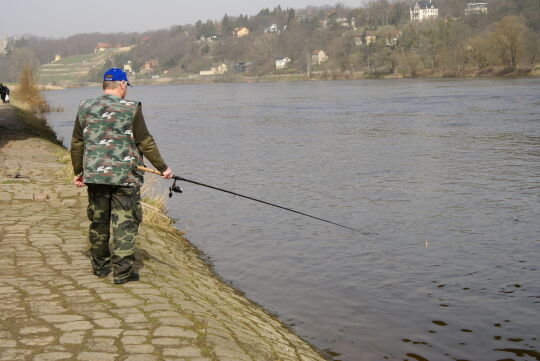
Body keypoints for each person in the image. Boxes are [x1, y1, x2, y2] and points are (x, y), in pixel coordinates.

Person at [70, 68, 172, 284]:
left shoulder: (84, 107)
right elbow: (144, 141)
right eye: (126, 86)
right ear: (122, 85)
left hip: (95, 176)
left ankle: (99, 268)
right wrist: (163, 168)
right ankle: (122, 273)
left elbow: (77, 143)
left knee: (98, 221)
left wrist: (78, 171)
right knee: (125, 222)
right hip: (125, 178)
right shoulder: (131, 108)